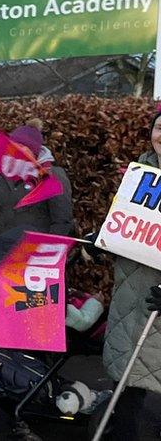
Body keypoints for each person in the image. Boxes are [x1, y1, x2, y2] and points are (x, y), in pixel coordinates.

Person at [101, 110, 161, 440]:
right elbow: (120, 225)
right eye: (159, 127)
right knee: (125, 392)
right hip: (131, 298)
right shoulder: (136, 174)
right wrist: (100, 243)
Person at [0, 123, 74, 239]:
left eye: (20, 147)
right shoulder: (6, 174)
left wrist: (46, 249)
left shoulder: (52, 176)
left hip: (30, 249)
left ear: (33, 151)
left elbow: (62, 221)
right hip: (1, 245)